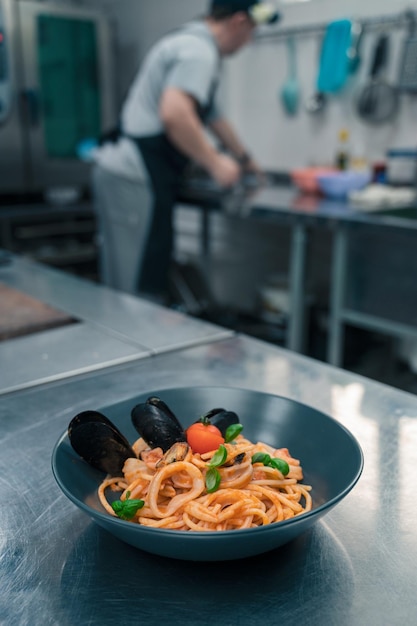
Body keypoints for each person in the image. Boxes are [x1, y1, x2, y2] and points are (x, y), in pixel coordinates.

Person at [92, 0, 281, 302]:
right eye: (252, 31)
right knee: (134, 287)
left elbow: (212, 117)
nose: (250, 40)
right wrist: (216, 163)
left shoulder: (192, 43)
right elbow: (175, 114)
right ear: (239, 21)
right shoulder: (198, 52)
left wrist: (246, 160)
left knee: (132, 278)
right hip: (134, 176)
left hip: (127, 173)